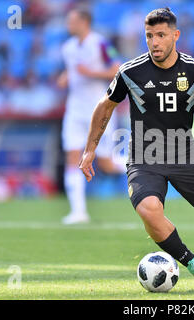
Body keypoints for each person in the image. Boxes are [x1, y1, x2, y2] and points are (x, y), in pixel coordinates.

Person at [79, 8, 194, 288]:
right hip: (144, 157)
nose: (154, 42)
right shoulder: (130, 72)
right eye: (149, 36)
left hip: (185, 154)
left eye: (161, 35)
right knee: (149, 209)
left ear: (175, 36)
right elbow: (105, 107)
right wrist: (90, 149)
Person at [58, 9, 121, 225]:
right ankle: (78, 212)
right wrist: (65, 77)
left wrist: (91, 74)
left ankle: (144, 164)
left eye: (72, 20)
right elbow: (73, 69)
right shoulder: (68, 47)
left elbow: (118, 69)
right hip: (74, 109)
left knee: (106, 164)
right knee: (72, 157)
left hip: (98, 108)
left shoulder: (101, 44)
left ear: (84, 22)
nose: (68, 24)